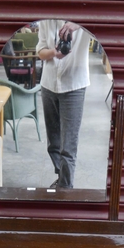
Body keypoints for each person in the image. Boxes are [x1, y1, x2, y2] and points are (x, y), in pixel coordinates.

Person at [36, 20, 92, 188]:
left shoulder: (82, 22)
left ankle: (65, 188)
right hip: (48, 84)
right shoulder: (46, 21)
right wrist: (54, 52)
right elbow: (40, 52)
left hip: (74, 84)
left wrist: (78, 25)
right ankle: (62, 178)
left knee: (68, 146)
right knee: (54, 144)